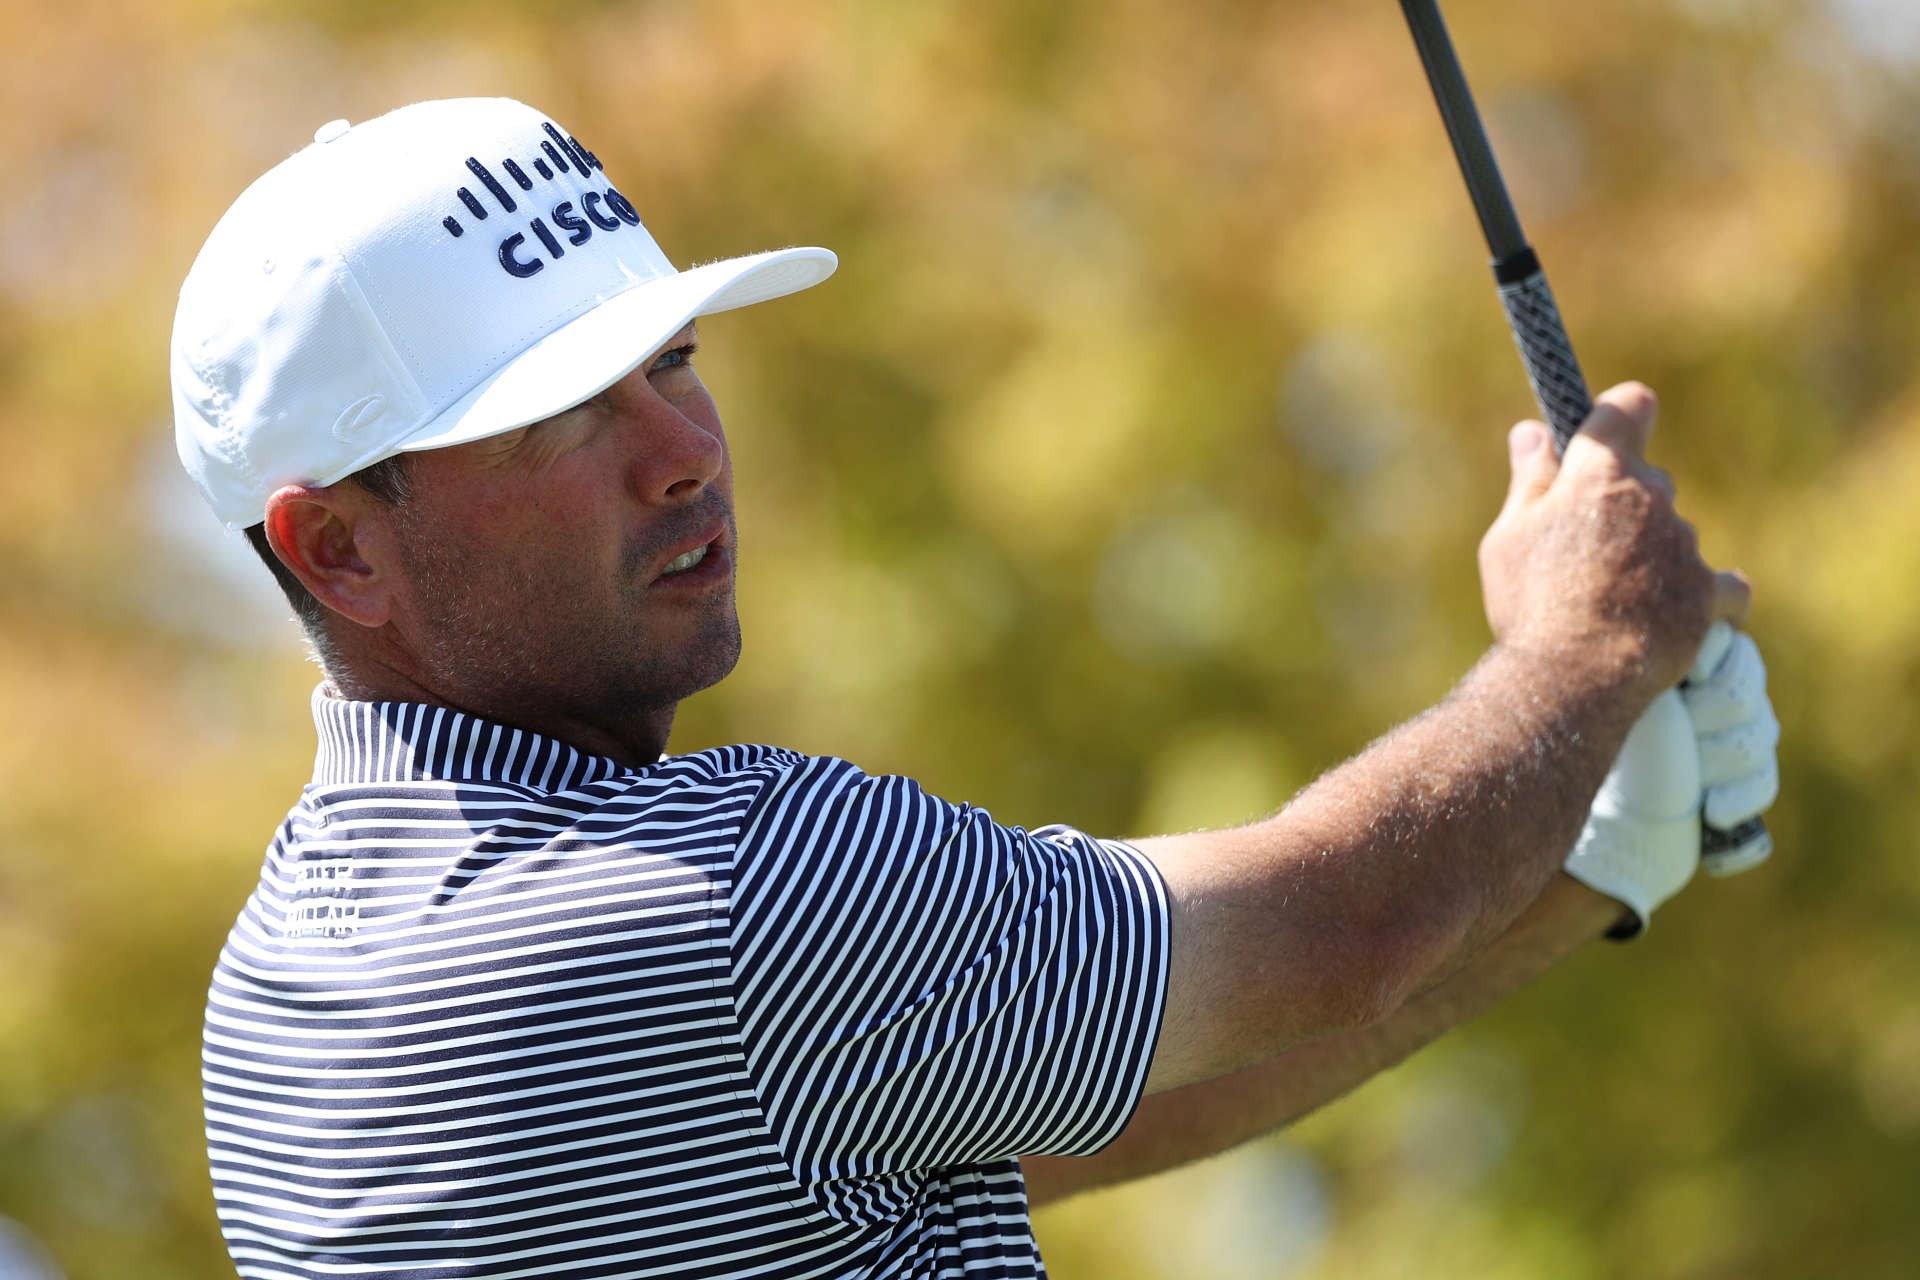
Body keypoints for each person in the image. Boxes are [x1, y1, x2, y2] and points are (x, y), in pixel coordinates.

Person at [175, 99, 1779, 1279]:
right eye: (564, 419)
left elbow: (1050, 1095)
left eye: (671, 363)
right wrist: (1576, 653)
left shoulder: (272, 999)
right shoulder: (727, 891)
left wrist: (1578, 869)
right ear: (339, 550)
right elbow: (1328, 929)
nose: (686, 455)